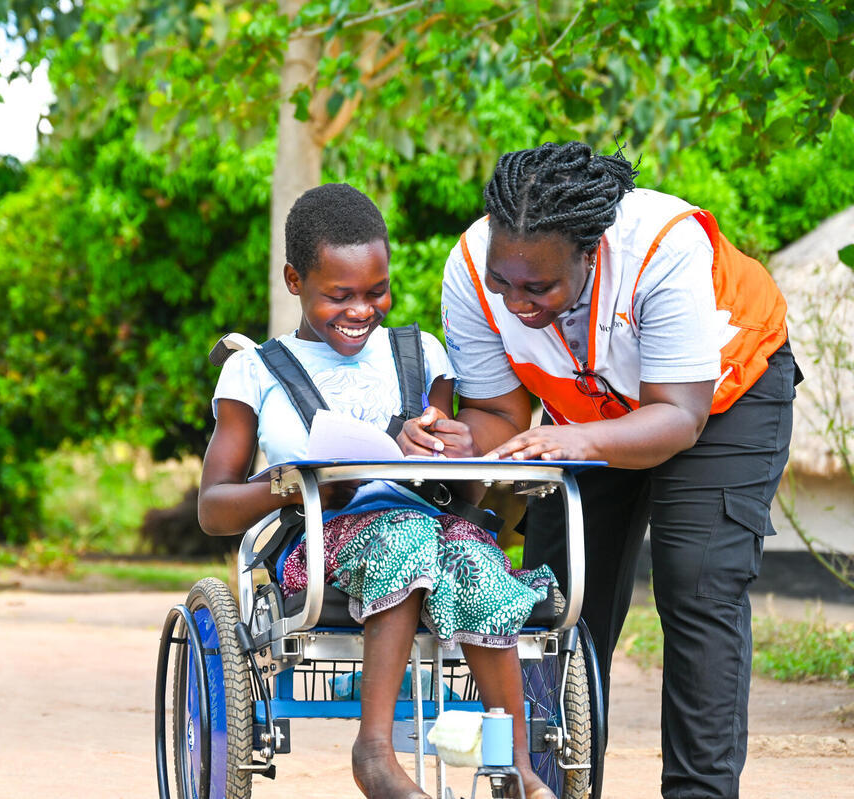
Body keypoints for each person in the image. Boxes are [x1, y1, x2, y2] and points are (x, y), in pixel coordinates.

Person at [410, 142, 797, 799]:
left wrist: (577, 440)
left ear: (592, 252)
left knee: (697, 577)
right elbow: (500, 412)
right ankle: (545, 785)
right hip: (584, 412)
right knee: (554, 596)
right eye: (506, 283)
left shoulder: (661, 248)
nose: (516, 303)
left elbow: (679, 417)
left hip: (721, 397)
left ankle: (699, 791)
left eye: (539, 287)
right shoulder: (474, 269)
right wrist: (449, 437)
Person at [198, 182, 558, 799]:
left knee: (474, 551)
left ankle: (515, 762)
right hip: (315, 539)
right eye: (340, 295)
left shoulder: (420, 354)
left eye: (376, 291)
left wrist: (445, 442)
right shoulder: (255, 368)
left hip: (428, 527)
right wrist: (295, 486)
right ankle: (374, 751)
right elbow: (213, 507)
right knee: (404, 534)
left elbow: (449, 467)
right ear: (293, 280)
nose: (362, 310)